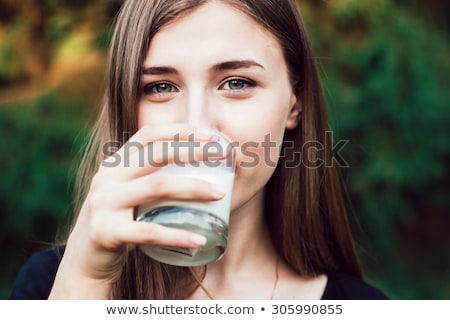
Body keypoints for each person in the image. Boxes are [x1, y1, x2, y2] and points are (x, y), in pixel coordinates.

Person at [11, 0, 388, 300]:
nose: (197, 128)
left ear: (295, 102)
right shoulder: (52, 288)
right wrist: (84, 288)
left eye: (237, 82)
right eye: (160, 87)